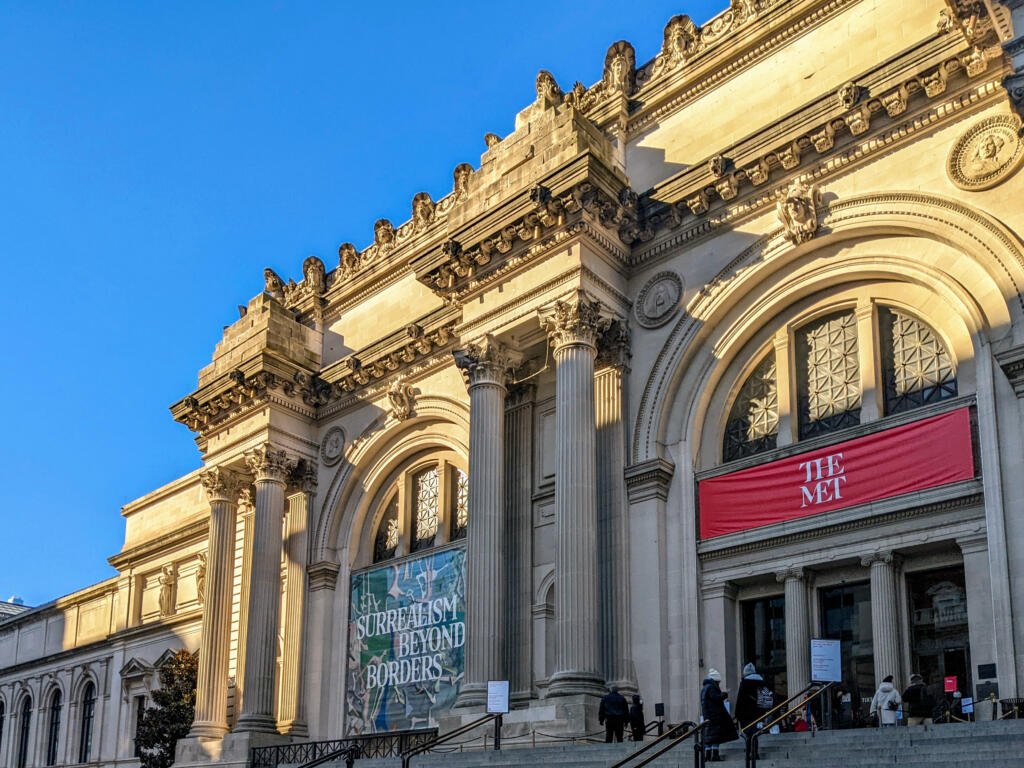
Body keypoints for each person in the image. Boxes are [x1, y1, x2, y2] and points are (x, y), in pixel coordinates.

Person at [701, 669, 739, 762]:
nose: (719, 683)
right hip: (715, 715)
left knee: (710, 736)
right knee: (715, 737)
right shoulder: (711, 687)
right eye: (718, 681)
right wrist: (724, 694)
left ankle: (707, 755)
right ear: (715, 680)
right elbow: (716, 698)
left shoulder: (705, 688)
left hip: (708, 715)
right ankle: (715, 755)